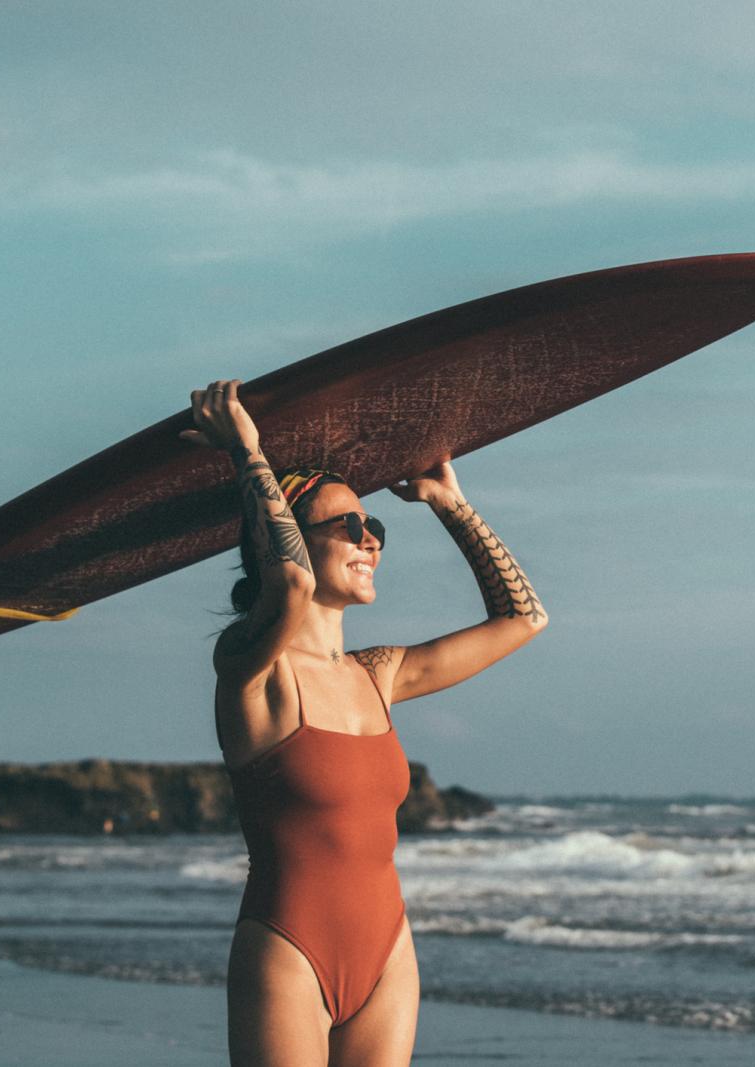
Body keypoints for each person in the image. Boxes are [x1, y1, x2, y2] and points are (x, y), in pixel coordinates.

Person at [180, 378, 548, 1066]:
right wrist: (248, 452)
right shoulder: (252, 671)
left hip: (389, 951)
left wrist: (450, 504)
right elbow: (289, 582)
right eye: (347, 526)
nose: (370, 539)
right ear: (291, 540)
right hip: (288, 952)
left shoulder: (377, 674)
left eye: (374, 527)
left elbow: (523, 618)